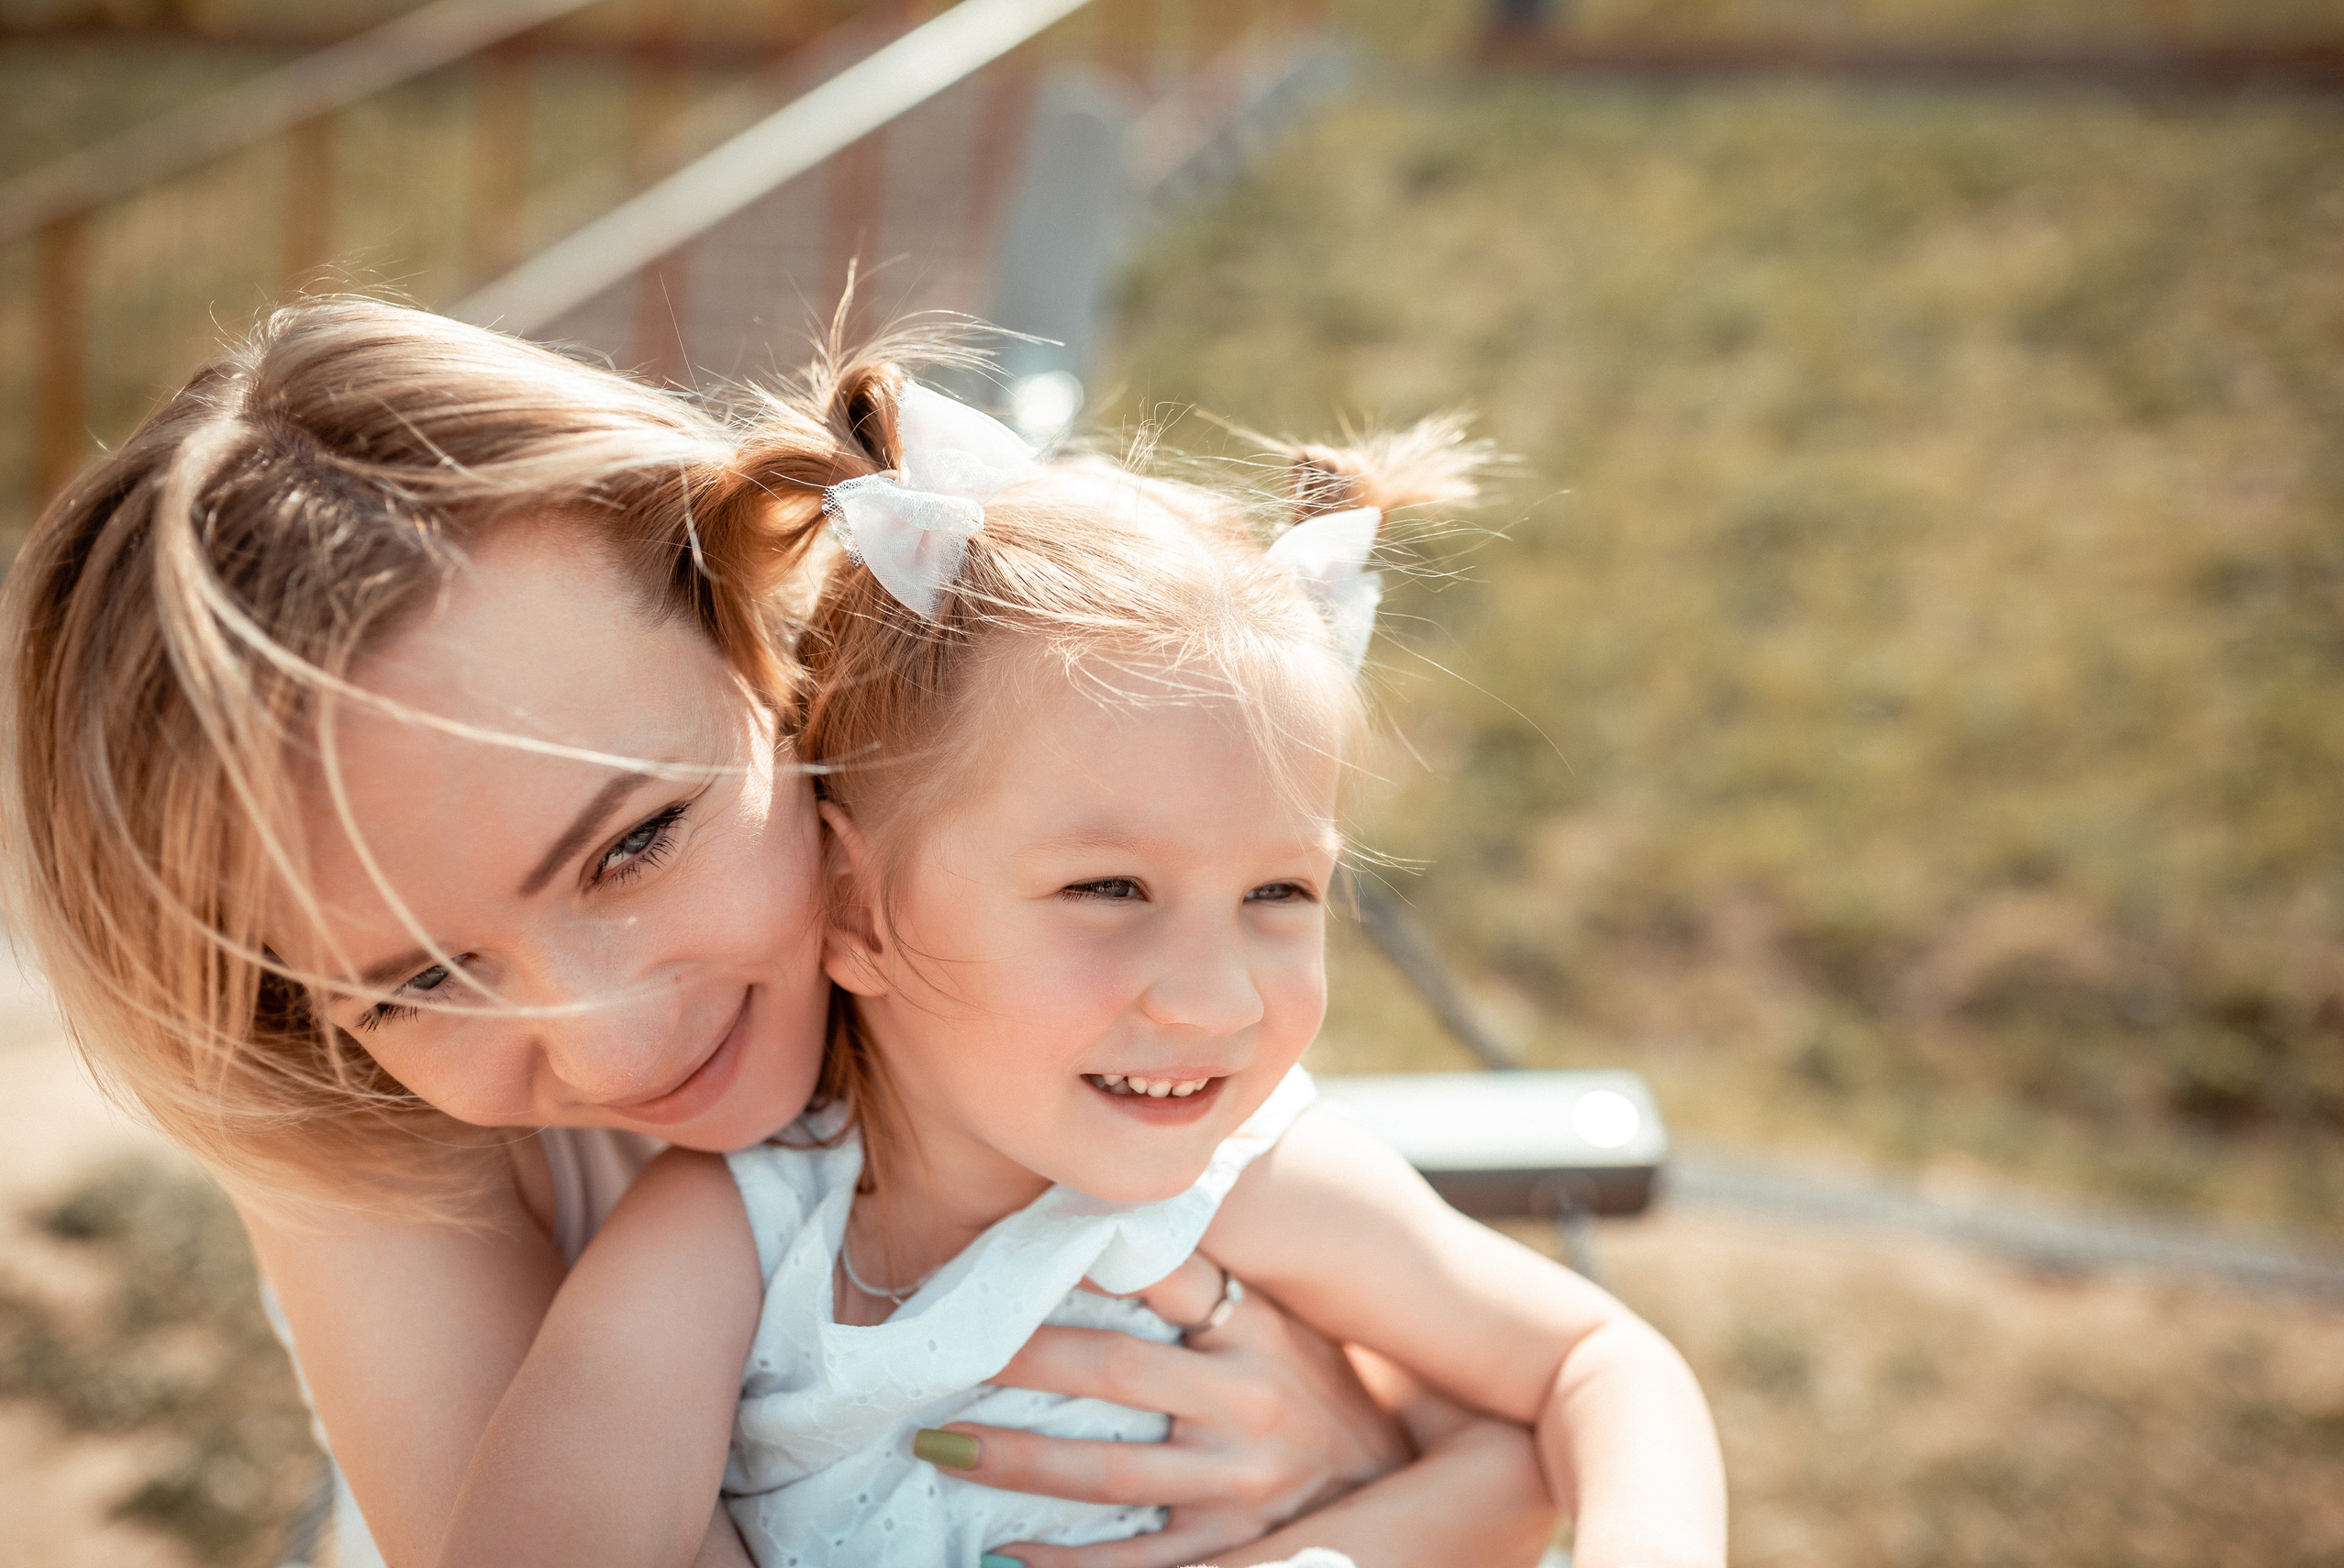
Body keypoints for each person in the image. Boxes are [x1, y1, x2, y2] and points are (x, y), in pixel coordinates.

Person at [0, 297, 1562, 1567]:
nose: (616, 1039)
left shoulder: (1008, 837)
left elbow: (1516, 1410)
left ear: (764, 638)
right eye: (418, 979)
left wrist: (1351, 1454)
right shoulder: (372, 1159)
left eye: (636, 841)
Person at [429, 373, 1728, 1568]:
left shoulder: (1244, 1181)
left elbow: (1598, 1366)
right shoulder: (742, 1243)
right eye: (1109, 891)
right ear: (856, 905)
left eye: (1281, 891)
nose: (1215, 997)